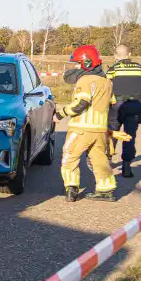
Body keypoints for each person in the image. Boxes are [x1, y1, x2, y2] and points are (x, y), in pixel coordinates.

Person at [56, 45, 116, 202]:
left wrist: (60, 114)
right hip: (100, 129)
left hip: (82, 128)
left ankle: (71, 188)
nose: (75, 67)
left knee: (69, 157)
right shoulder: (107, 82)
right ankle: (106, 190)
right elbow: (111, 103)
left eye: (77, 64)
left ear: (86, 63)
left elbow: (81, 103)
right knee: (99, 159)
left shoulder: (85, 80)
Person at [106, 44, 141, 178]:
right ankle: (126, 166)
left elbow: (106, 89)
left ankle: (107, 161)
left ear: (115, 56)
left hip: (116, 106)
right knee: (129, 136)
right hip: (135, 105)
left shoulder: (113, 69)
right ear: (129, 54)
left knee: (112, 133)